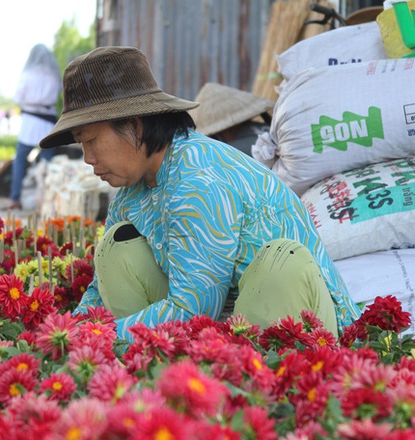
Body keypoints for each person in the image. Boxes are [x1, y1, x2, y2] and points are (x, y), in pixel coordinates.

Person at [39, 46, 361, 341]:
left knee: (277, 268)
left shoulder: (197, 178)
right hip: (225, 326)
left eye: (90, 140)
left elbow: (194, 310)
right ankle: (144, 375)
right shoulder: (131, 193)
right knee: (115, 249)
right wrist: (67, 333)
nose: (87, 157)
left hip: (295, 321)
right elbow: (99, 291)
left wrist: (101, 337)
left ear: (135, 126)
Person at [4, 43, 62, 210]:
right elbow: (58, 92)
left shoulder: (27, 74)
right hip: (48, 122)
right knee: (47, 163)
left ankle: (15, 197)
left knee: (20, 160)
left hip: (30, 122)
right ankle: (46, 201)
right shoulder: (53, 75)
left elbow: (18, 97)